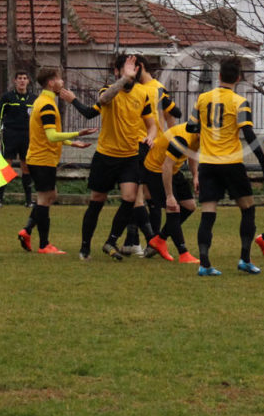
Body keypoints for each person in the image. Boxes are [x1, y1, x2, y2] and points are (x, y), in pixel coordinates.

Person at [58, 53, 156, 261]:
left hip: (130, 156)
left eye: (136, 69)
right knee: (97, 200)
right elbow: (102, 100)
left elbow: (151, 123)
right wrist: (124, 79)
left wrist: (151, 136)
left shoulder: (143, 93)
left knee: (130, 198)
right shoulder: (109, 91)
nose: (133, 72)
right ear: (116, 71)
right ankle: (85, 247)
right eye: (129, 68)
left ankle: (111, 241)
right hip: (106, 156)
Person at [189, 56, 264, 276]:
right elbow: (247, 132)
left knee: (208, 212)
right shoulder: (239, 101)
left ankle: (204, 264)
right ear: (238, 78)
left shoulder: (202, 99)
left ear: (218, 76)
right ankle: (245, 259)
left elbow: (191, 128)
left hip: (207, 163)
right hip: (231, 163)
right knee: (248, 208)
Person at [17, 68, 96, 254]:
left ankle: (27, 230)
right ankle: (44, 245)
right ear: (51, 83)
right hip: (42, 159)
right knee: (45, 199)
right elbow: (52, 136)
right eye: (59, 79)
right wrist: (78, 133)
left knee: (51, 195)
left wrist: (72, 143)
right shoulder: (47, 105)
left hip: (41, 158)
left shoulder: (43, 101)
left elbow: (47, 134)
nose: (62, 81)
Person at [121, 56, 183, 257]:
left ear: (139, 67)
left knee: (141, 195)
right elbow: (174, 113)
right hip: (141, 144)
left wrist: (174, 138)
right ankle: (135, 241)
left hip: (145, 145)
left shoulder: (152, 89)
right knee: (143, 195)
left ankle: (149, 240)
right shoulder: (149, 88)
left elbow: (173, 114)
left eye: (131, 67)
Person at [141, 121, 201, 264]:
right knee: (173, 208)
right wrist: (169, 196)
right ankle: (183, 253)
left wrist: (195, 176)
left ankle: (160, 239)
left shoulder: (197, 134)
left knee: (190, 206)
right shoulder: (181, 140)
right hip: (156, 170)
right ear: (199, 132)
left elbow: (192, 154)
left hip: (173, 169)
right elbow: (166, 166)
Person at [0, 71, 37, 207]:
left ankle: (28, 201)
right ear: (15, 81)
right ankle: (0, 199)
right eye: (19, 78)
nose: (22, 81)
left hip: (27, 136)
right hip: (10, 135)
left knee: (26, 167)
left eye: (25, 78)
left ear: (28, 81)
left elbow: (38, 120)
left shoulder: (34, 99)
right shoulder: (7, 97)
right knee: (6, 166)